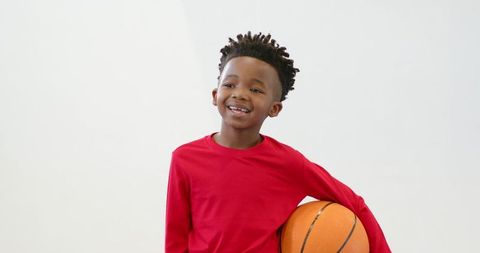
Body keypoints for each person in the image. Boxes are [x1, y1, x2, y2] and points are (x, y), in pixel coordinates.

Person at [165, 31, 391, 253]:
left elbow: (355, 203)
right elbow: (175, 239)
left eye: (255, 89)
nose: (240, 94)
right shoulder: (185, 159)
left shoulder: (288, 163)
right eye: (230, 84)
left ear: (274, 108)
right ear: (215, 95)